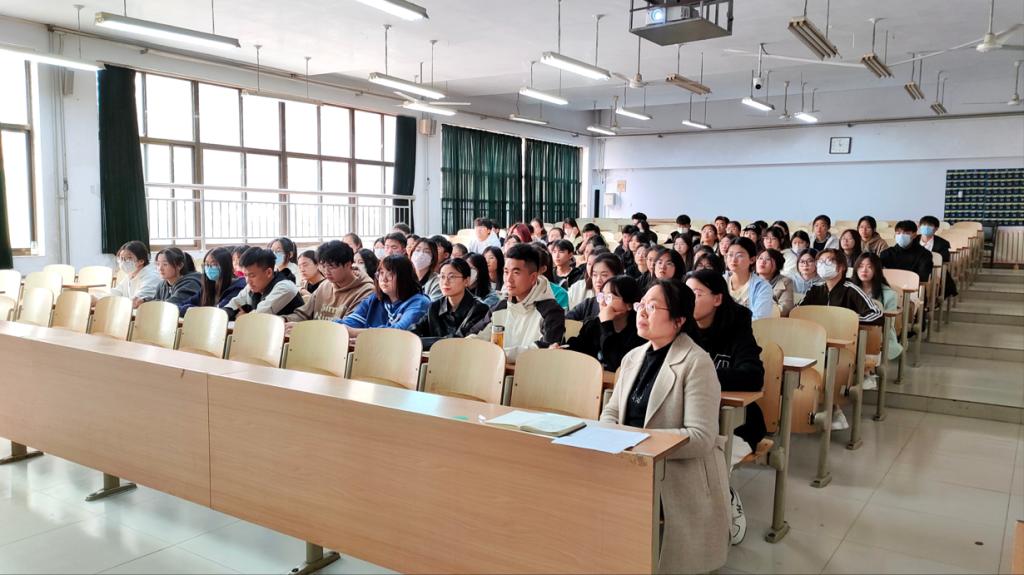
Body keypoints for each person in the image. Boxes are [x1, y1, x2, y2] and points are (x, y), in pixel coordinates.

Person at [600, 279, 729, 574]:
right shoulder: (633, 357)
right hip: (629, 461)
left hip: (676, 472)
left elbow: (700, 437)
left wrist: (635, 441)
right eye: (641, 305)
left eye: (652, 306)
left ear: (679, 320)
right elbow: (612, 410)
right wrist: (609, 435)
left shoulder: (696, 363)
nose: (642, 312)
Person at [687, 269, 766, 544]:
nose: (689, 300)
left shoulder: (738, 326)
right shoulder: (680, 326)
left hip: (736, 423)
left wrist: (700, 376)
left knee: (708, 466)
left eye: (696, 294)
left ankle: (726, 499)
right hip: (692, 419)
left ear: (718, 299)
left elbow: (753, 376)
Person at [471, 244, 565, 363]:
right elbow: (477, 336)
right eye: (506, 272)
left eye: (516, 273)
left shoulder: (551, 311)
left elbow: (546, 350)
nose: (509, 279)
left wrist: (498, 354)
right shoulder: (501, 306)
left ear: (533, 277)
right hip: (496, 370)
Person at [563, 275, 645, 372]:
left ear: (629, 305)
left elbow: (616, 364)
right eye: (602, 296)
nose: (602, 302)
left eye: (609, 297)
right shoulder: (593, 325)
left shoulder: (638, 333)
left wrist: (606, 325)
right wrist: (561, 349)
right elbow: (577, 350)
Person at [283, 241, 375, 326]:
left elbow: (347, 327)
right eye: (323, 266)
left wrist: (302, 327)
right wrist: (283, 320)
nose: (326, 272)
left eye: (331, 266)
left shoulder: (366, 291)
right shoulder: (325, 285)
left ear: (348, 264)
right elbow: (303, 314)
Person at [338, 255, 430, 336]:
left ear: (404, 277)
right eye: (381, 273)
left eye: (390, 274)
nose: (384, 279)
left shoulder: (419, 302)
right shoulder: (374, 299)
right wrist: (335, 326)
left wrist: (355, 333)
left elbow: (399, 331)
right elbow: (351, 322)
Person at [413, 258, 490, 350]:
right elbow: (416, 329)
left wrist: (422, 342)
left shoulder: (479, 309)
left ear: (466, 281)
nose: (445, 282)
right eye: (442, 277)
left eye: (452, 277)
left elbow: (457, 340)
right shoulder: (435, 306)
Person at [799, 249, 883, 325]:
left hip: (843, 335)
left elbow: (876, 315)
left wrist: (848, 319)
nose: (823, 265)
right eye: (820, 262)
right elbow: (798, 311)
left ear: (841, 267)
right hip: (817, 334)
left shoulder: (851, 289)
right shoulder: (814, 288)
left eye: (828, 261)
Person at [223, 247, 305, 321]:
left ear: (268, 272)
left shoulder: (284, 287)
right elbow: (232, 305)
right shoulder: (252, 287)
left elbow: (258, 317)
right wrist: (226, 313)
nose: (247, 281)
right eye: (245, 275)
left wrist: (243, 317)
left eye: (252, 275)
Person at [853, 253, 903, 361]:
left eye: (869, 267)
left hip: (876, 332)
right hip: (852, 330)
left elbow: (888, 324)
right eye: (861, 266)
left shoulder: (889, 294)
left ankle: (867, 368)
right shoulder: (849, 289)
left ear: (877, 270)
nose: (864, 270)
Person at [724, 237, 774, 321]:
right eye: (730, 255)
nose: (733, 259)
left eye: (739, 255)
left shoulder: (762, 287)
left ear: (752, 260)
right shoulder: (719, 281)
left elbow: (759, 320)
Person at [184, 246, 245, 312]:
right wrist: (194, 310)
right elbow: (182, 306)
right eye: (206, 264)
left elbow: (218, 312)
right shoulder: (208, 288)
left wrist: (194, 310)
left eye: (214, 264)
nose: (209, 268)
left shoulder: (237, 288)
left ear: (225, 266)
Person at [567, 252, 623, 321]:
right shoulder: (588, 304)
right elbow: (566, 322)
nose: (598, 280)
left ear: (617, 276)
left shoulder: (622, 305)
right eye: (595, 275)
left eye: (604, 275)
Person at [917, 215, 958, 298]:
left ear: (936, 229)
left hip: (933, 270)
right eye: (924, 225)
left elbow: (944, 259)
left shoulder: (942, 243)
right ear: (919, 226)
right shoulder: (913, 241)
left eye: (930, 225)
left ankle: (929, 300)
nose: (926, 227)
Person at [152, 247, 202, 316]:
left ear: (180, 266)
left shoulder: (190, 284)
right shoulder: (161, 285)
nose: (160, 268)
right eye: (158, 264)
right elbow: (154, 304)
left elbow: (171, 306)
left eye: (165, 264)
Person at [110, 240, 161, 307]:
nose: (123, 262)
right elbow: (117, 292)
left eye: (129, 258)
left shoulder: (151, 276)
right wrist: (100, 298)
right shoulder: (130, 274)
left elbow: (137, 301)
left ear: (141, 261)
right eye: (121, 258)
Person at [756, 248, 796, 317]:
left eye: (768, 259)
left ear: (777, 265)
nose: (762, 262)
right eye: (760, 258)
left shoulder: (785, 282)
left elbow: (785, 309)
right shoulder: (749, 279)